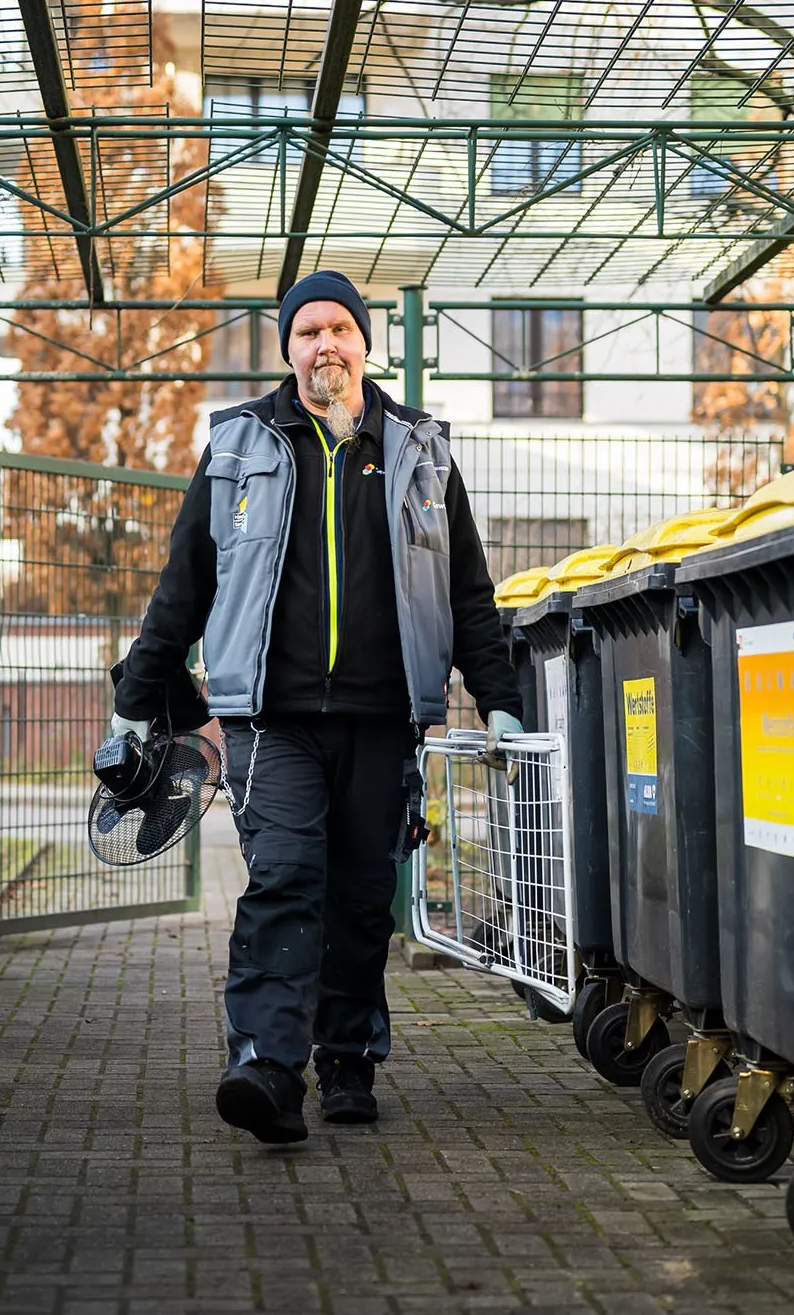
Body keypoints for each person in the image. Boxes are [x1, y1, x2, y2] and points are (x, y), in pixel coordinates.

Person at [111, 270, 523, 1144]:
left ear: (365, 344)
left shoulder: (421, 449)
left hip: (384, 718)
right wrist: (136, 697)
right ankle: (264, 1063)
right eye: (307, 332)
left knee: (362, 894)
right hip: (273, 718)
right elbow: (185, 582)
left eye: (340, 328)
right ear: (288, 348)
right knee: (287, 876)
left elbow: (469, 593)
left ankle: (346, 1059)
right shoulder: (238, 445)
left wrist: (501, 700)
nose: (325, 345)